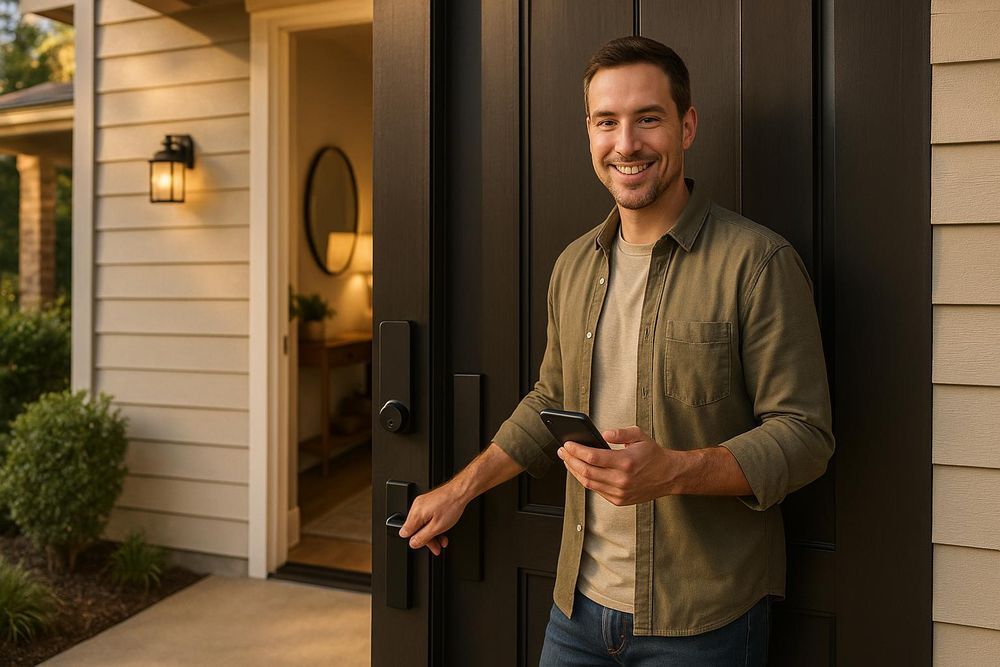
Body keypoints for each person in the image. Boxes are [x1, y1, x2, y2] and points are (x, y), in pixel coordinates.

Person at [398, 35, 834, 666]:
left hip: (705, 623)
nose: (625, 144)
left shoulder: (757, 264)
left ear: (686, 126)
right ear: (590, 133)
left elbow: (804, 436)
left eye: (648, 119)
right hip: (576, 611)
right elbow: (551, 400)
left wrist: (675, 470)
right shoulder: (573, 266)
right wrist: (460, 490)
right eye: (607, 122)